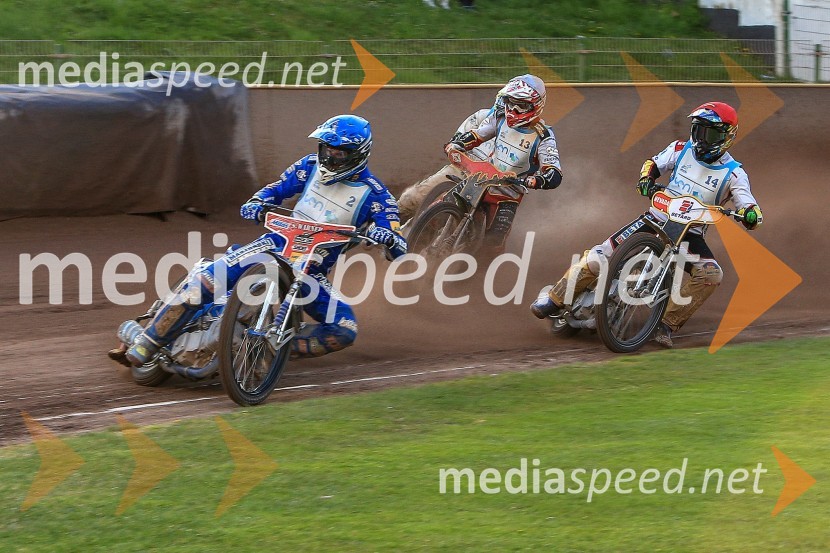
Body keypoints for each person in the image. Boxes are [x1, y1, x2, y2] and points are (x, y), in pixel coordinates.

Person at [123, 114, 407, 366]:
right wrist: (258, 201)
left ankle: (267, 351)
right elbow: (277, 188)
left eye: (339, 153)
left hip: (312, 271)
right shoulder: (309, 166)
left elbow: (398, 246)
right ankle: (148, 341)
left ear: (358, 154)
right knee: (207, 281)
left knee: (344, 329)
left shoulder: (377, 195)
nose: (330, 157)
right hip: (272, 247)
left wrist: (387, 237)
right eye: (327, 149)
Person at [530, 101, 763, 348]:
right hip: (655, 219)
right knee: (601, 255)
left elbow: (748, 203)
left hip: (689, 234)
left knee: (712, 274)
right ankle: (554, 299)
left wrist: (750, 214)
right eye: (698, 130)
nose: (701, 138)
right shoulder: (680, 149)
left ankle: (665, 325)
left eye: (709, 132)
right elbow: (653, 163)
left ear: (726, 136)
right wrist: (646, 179)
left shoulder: (734, 173)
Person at [442, 74, 564, 252]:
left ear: (535, 106)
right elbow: (478, 135)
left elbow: (554, 172)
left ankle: (479, 274)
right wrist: (458, 144)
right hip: (482, 177)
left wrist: (535, 180)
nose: (513, 110)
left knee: (492, 244)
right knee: (443, 201)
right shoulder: (500, 118)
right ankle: (420, 235)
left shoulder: (543, 136)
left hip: (508, 192)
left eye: (520, 105)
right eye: (510, 102)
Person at [398, 98, 502, 224]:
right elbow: (458, 137)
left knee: (494, 231)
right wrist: (453, 145)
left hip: (493, 184)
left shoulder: (527, 135)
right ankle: (382, 226)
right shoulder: (482, 116)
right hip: (461, 169)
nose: (513, 109)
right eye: (510, 102)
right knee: (411, 198)